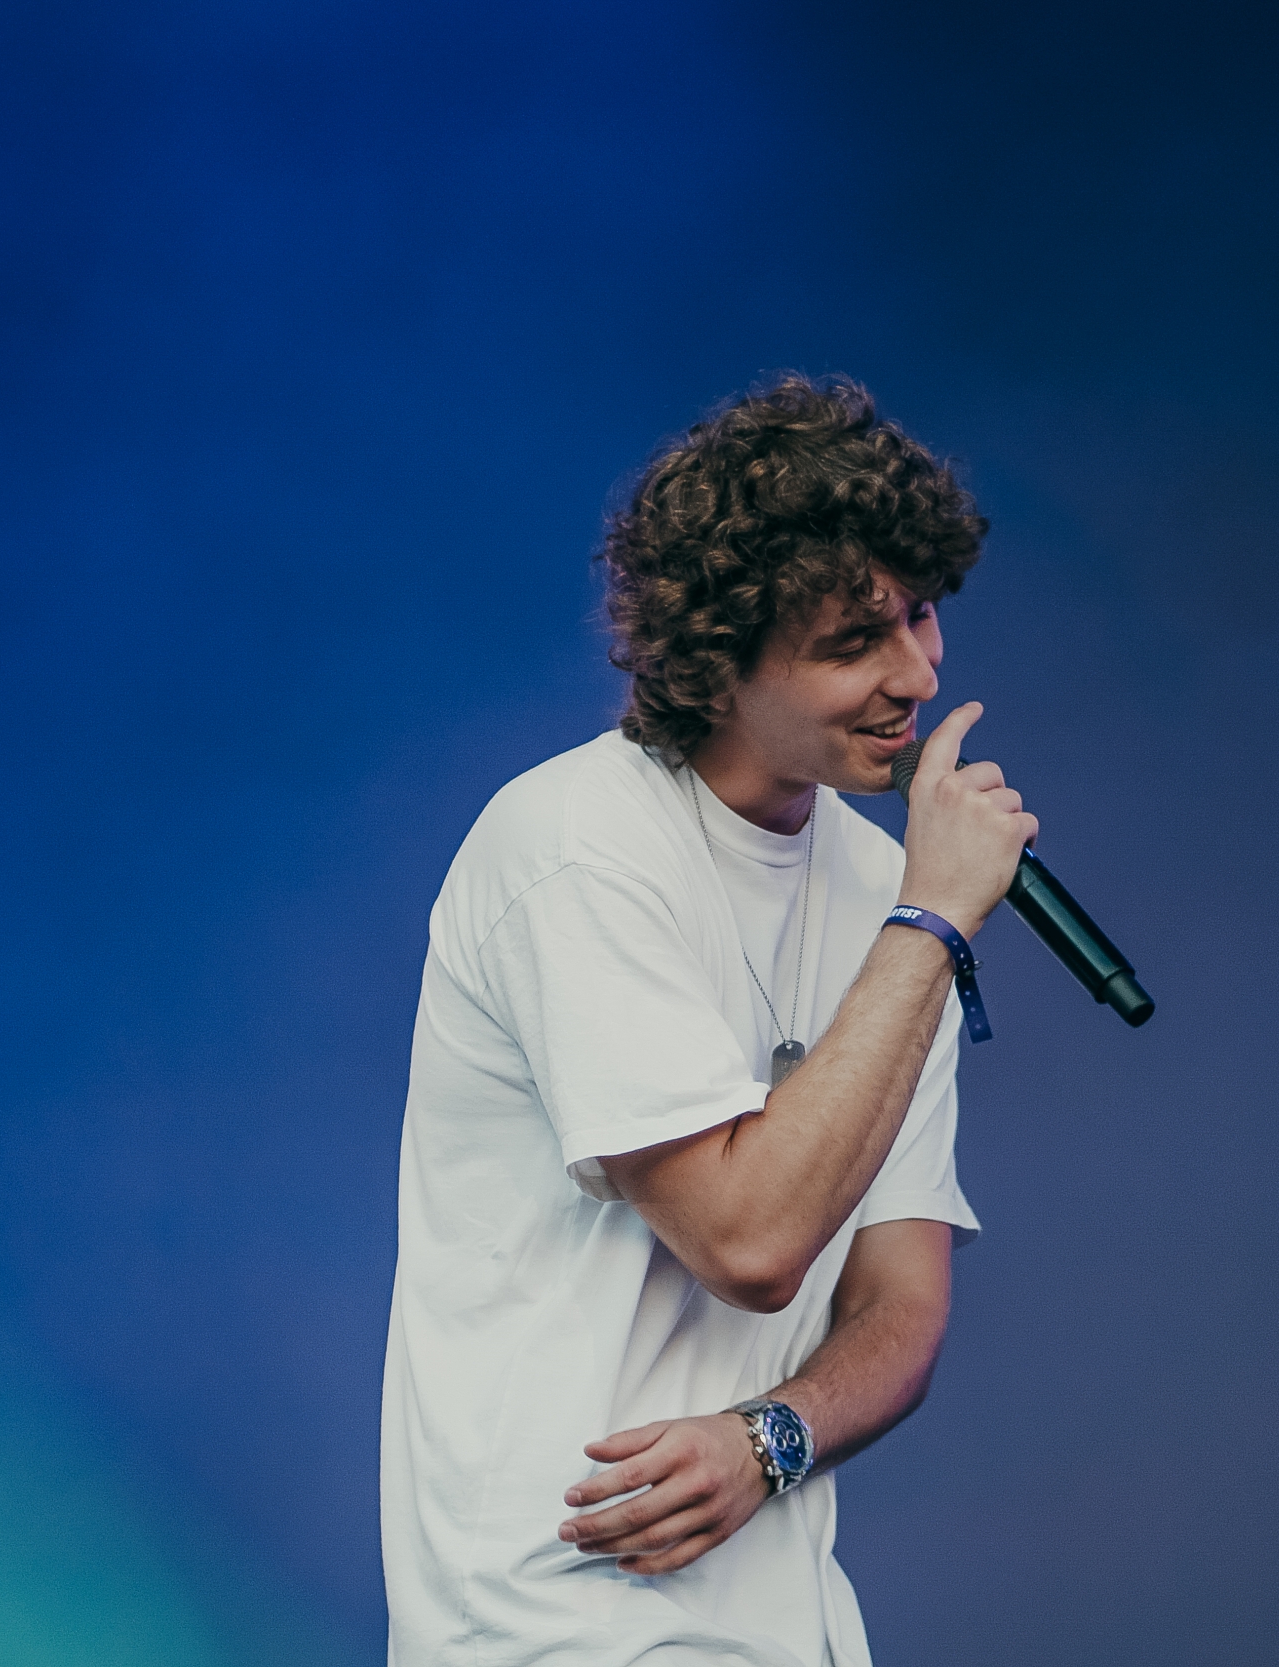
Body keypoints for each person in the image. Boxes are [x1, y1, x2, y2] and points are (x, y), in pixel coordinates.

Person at [380, 374, 1037, 1666]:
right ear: (720, 657)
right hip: (558, 1620)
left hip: (788, 1628)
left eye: (920, 614)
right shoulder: (578, 849)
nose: (916, 674)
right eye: (853, 642)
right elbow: (748, 1242)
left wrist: (769, 1440)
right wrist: (933, 924)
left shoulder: (888, 890)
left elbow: (902, 1300)